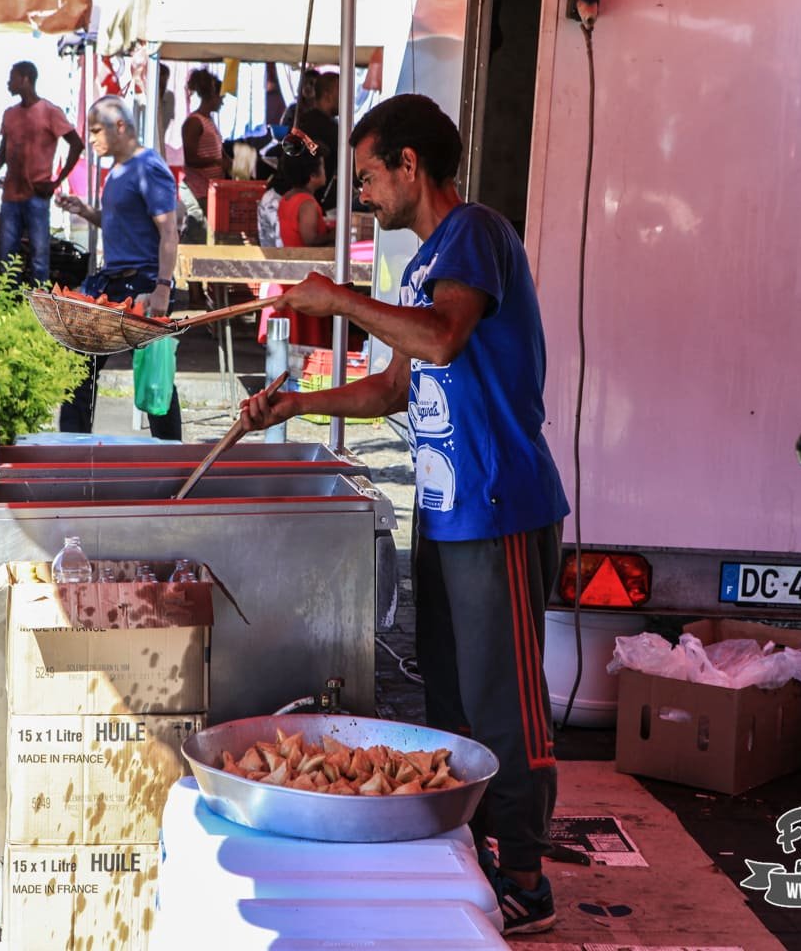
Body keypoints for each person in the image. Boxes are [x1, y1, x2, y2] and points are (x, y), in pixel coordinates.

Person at [236, 94, 569, 935]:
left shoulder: (477, 234)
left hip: (499, 501)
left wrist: (340, 300)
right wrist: (299, 404)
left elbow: (445, 340)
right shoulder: (421, 265)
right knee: (450, 693)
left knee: (506, 700)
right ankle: (473, 854)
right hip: (448, 506)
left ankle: (526, 874)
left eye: (369, 177)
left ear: (410, 166)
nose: (364, 194)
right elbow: (395, 385)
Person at [53, 96, 183, 440]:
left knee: (155, 375)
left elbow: (169, 231)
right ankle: (73, 446)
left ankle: (171, 453)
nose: (92, 139)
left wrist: (162, 287)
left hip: (141, 283)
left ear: (120, 127)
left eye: (96, 131)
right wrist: (84, 211)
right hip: (111, 281)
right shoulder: (117, 171)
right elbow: (115, 223)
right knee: (80, 365)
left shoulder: (149, 168)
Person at [0, 61, 83, 284]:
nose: (8, 83)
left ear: (25, 79)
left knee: (40, 255)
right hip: (10, 196)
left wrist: (57, 181)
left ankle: (38, 303)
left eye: (12, 77)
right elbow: (4, 151)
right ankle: (7, 303)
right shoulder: (9, 114)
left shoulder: (50, 112)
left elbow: (76, 144)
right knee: (7, 256)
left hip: (37, 195)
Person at [256, 143, 332, 346]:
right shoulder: (306, 202)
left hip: (289, 275)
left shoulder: (287, 198)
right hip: (302, 279)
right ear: (313, 175)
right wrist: (335, 233)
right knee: (306, 343)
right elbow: (310, 240)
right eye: (323, 167)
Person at [180, 69, 226, 215]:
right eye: (221, 98)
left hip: (208, 190)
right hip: (197, 191)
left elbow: (217, 149)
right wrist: (217, 162)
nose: (222, 102)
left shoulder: (208, 121)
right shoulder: (194, 122)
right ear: (212, 96)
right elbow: (190, 159)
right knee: (197, 233)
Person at [294, 70, 341, 211]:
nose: (346, 98)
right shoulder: (330, 128)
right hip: (318, 202)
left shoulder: (302, 121)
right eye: (341, 93)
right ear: (328, 95)